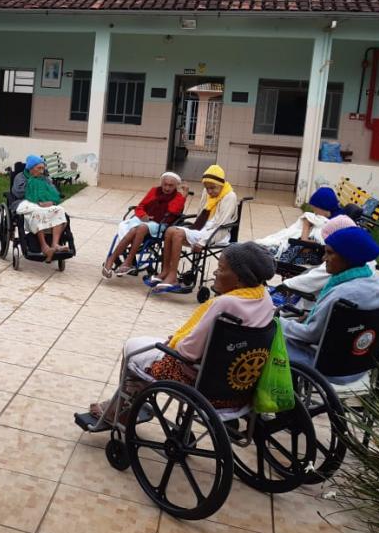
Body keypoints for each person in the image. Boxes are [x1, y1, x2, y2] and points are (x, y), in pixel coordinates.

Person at [86, 242, 276, 426]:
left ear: (240, 278)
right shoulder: (265, 299)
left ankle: (120, 411)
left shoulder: (225, 304)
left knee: (133, 348)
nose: (216, 273)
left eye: (221, 268)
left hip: (198, 383)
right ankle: (133, 398)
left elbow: (188, 352)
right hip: (237, 389)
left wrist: (176, 342)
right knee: (152, 350)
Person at [280, 226, 379, 384]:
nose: (324, 258)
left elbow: (310, 334)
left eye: (330, 253)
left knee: (269, 337)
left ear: (348, 257)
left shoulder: (340, 294)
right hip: (359, 364)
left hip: (328, 368)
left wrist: (278, 322)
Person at [149, 164, 238, 293]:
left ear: (221, 184)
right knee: (170, 231)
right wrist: (195, 229)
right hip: (202, 228)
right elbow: (201, 214)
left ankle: (173, 277)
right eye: (207, 188)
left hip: (217, 233)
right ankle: (166, 271)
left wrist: (202, 242)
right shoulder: (206, 192)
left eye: (213, 188)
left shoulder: (230, 196)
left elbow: (221, 224)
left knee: (178, 234)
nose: (210, 192)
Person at [103, 171, 186, 278]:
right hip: (143, 219)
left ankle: (125, 261)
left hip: (160, 224)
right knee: (134, 229)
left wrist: (184, 196)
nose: (167, 188)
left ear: (176, 186)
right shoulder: (154, 191)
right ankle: (113, 261)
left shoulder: (178, 197)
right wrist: (143, 215)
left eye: (171, 185)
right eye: (165, 184)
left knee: (141, 228)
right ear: (161, 183)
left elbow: (174, 211)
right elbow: (140, 206)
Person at [268, 215, 358, 306]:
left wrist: (285, 285)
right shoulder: (357, 259)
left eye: (330, 252)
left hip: (308, 309)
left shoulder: (339, 264)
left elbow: (310, 281)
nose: (324, 258)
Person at [256, 186, 344, 258]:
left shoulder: (334, 222)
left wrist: (307, 228)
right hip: (305, 248)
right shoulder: (327, 217)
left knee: (262, 252)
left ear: (324, 207)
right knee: (263, 248)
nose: (315, 213)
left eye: (316, 210)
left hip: (303, 251)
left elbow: (305, 240)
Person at [11, 154, 68, 262]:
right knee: (38, 210)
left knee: (60, 210)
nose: (42, 171)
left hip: (44, 204)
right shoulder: (20, 177)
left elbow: (54, 192)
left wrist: (51, 201)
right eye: (39, 168)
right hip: (24, 202)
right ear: (31, 168)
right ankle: (44, 247)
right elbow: (18, 192)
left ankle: (55, 244)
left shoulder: (45, 179)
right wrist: (38, 200)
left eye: (43, 168)